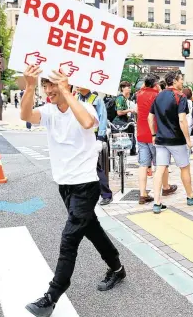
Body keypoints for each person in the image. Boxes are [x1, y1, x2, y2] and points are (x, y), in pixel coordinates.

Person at [20, 65, 125, 316]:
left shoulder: (84, 107)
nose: (48, 90)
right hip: (65, 185)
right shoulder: (48, 111)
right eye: (45, 85)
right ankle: (118, 269)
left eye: (51, 84)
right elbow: (26, 115)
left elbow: (88, 122)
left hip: (86, 186)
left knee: (69, 239)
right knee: (93, 231)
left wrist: (67, 91)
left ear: (65, 84)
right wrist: (30, 85)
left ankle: (52, 295)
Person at [148, 70, 193, 214]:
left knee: (159, 169)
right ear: (174, 81)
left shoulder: (158, 96)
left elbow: (150, 117)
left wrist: (154, 134)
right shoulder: (180, 97)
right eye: (181, 79)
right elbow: (182, 119)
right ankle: (190, 196)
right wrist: (188, 140)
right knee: (184, 168)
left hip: (161, 139)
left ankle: (157, 203)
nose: (182, 82)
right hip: (177, 140)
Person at [136, 73, 177, 204]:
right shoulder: (157, 96)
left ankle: (143, 194)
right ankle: (165, 187)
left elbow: (143, 87)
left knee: (143, 165)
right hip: (155, 134)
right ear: (155, 85)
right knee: (161, 163)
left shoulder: (139, 94)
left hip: (141, 133)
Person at [76, 88, 113, 206]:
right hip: (80, 137)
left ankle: (106, 194)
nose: (77, 86)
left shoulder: (97, 100)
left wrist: (100, 138)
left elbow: (102, 118)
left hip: (93, 136)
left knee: (95, 166)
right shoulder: (76, 99)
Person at [113, 81, 137, 156]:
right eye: (128, 87)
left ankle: (132, 150)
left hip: (123, 120)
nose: (130, 89)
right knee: (124, 135)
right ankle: (130, 150)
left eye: (130, 88)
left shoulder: (123, 98)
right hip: (119, 122)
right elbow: (119, 112)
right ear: (122, 88)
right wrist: (130, 110)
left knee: (131, 128)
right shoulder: (120, 98)